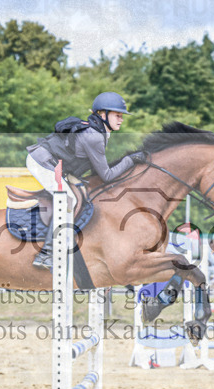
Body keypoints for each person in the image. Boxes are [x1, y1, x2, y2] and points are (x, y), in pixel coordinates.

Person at [26, 91, 140, 269]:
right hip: (41, 161)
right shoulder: (94, 136)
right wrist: (130, 160)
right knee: (67, 200)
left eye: (121, 116)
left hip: (56, 163)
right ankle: (46, 254)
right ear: (102, 114)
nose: (121, 119)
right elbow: (107, 175)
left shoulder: (99, 132)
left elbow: (97, 170)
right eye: (117, 115)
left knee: (80, 193)